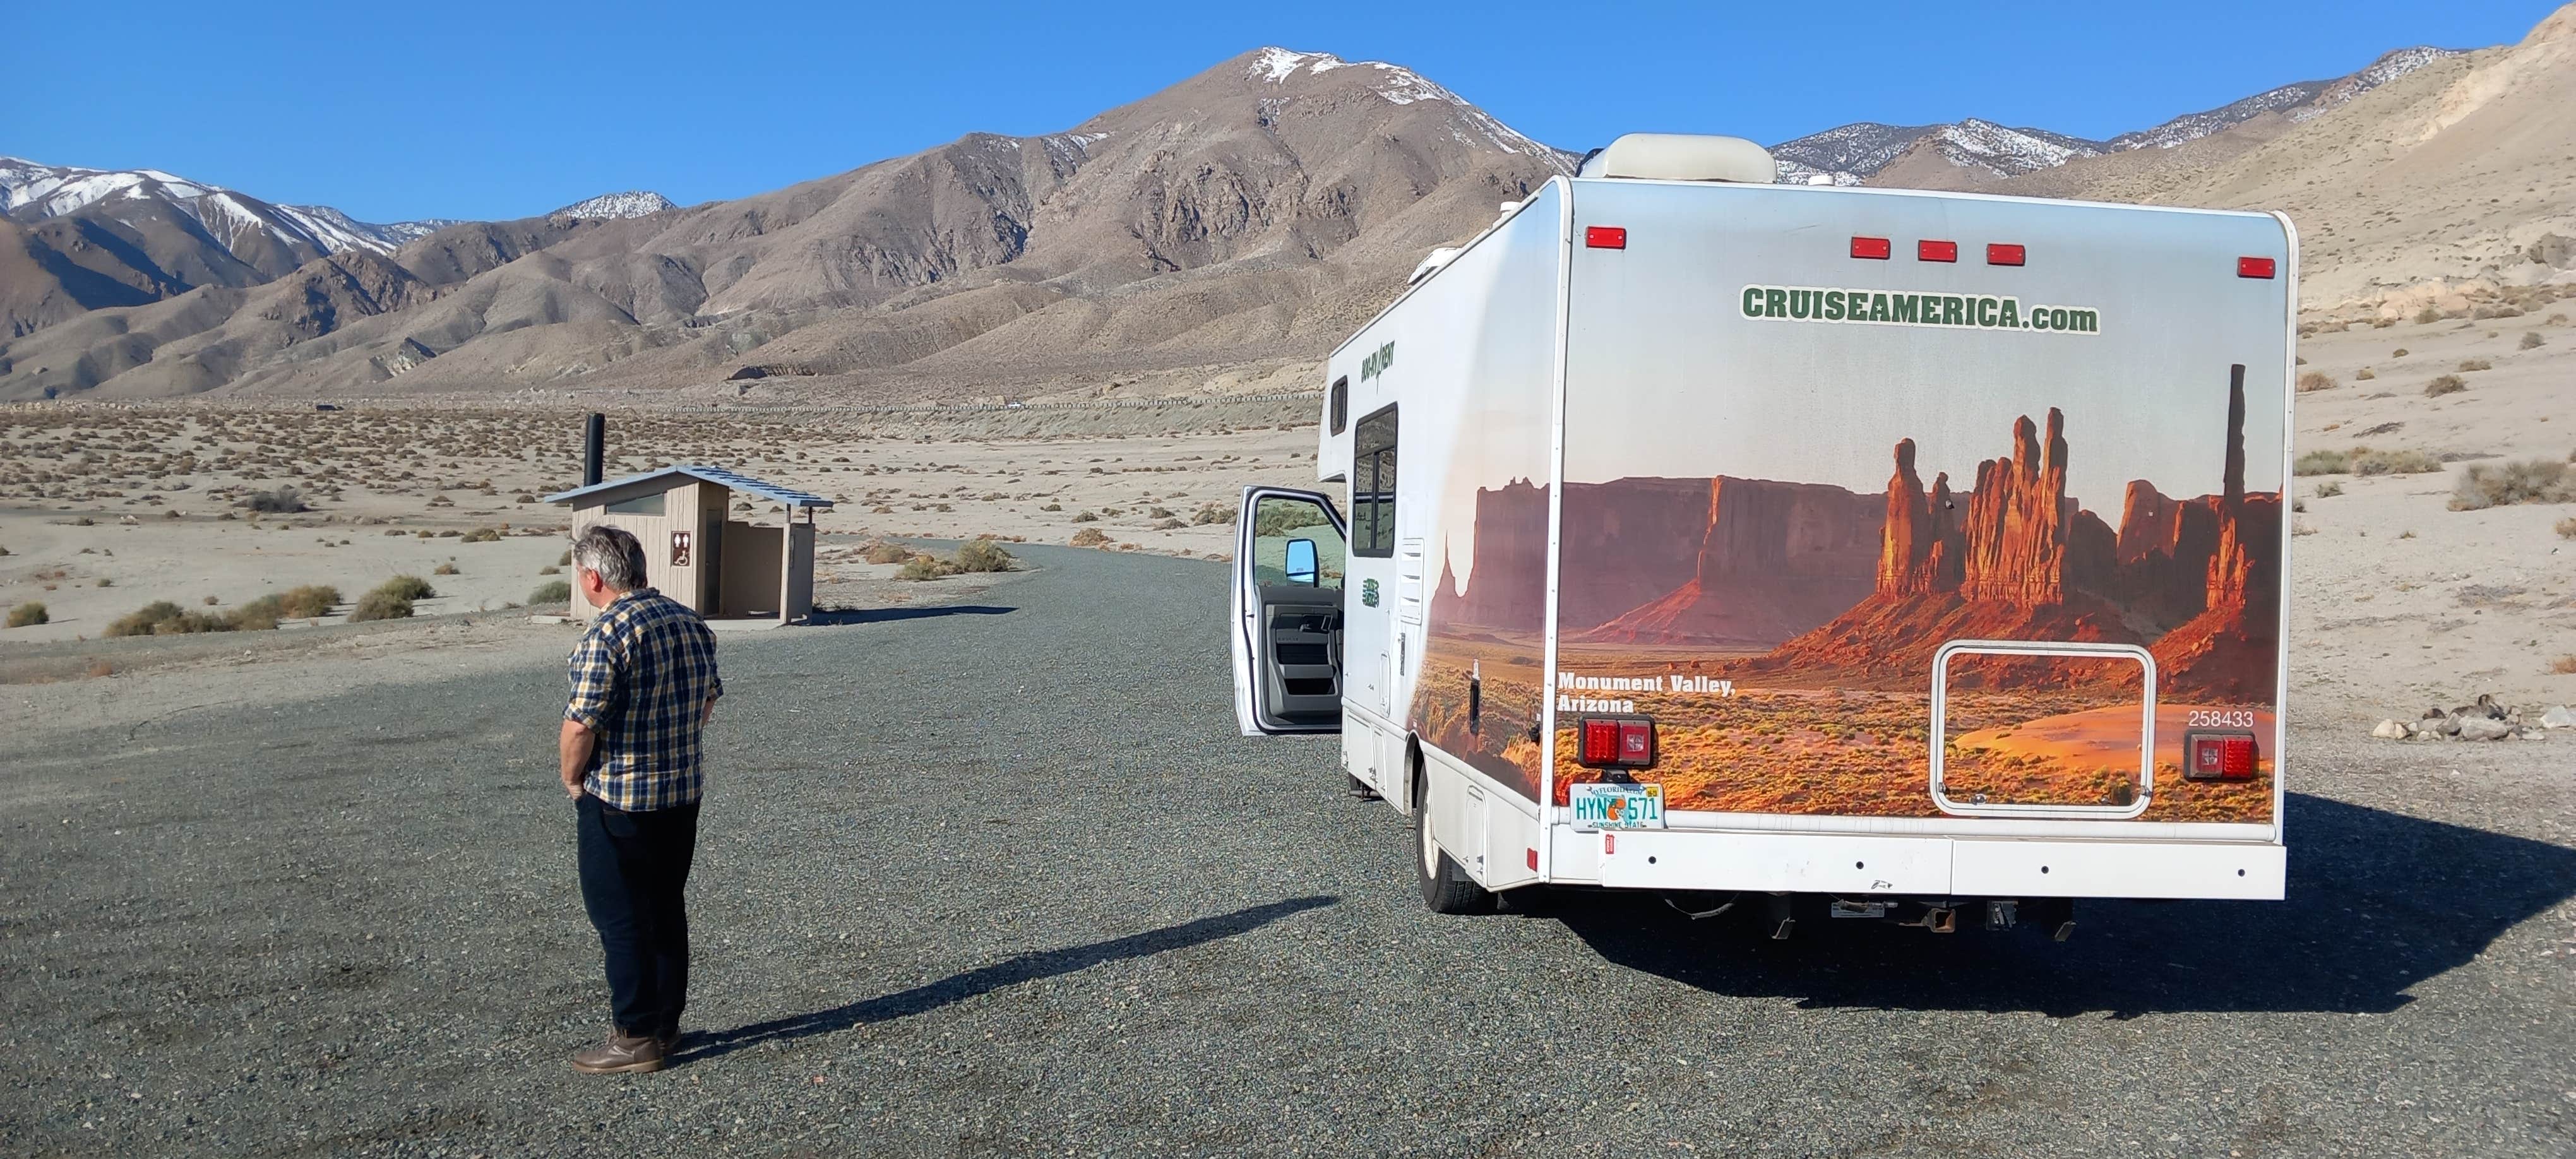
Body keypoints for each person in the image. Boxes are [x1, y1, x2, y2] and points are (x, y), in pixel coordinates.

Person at [558, 524, 723, 1074]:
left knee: (620, 918)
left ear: (593, 576)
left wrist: (574, 781)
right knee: (666, 907)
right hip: (681, 794)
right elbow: (705, 704)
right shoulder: (689, 621)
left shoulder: (606, 636)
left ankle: (633, 1035)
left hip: (620, 800)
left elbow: (581, 725)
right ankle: (665, 1025)